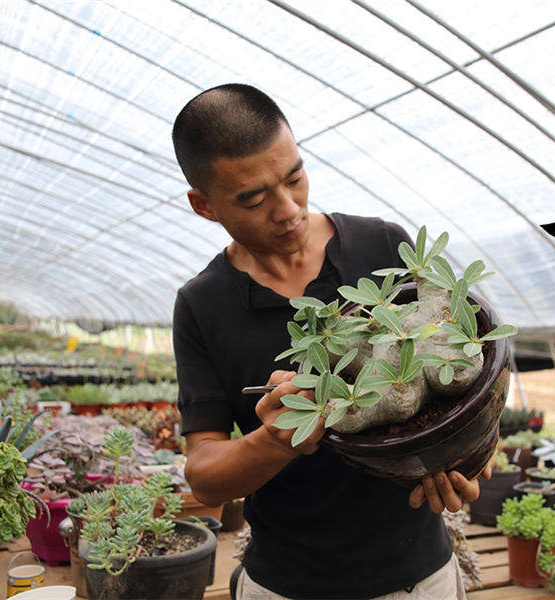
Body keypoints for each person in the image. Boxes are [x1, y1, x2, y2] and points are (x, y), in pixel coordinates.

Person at [171, 83, 489, 600]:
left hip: (419, 579)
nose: (287, 209)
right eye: (253, 198)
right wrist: (274, 438)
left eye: (295, 177)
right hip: (285, 585)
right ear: (203, 205)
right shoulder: (202, 304)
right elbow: (204, 476)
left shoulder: (384, 245)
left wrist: (468, 458)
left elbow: (465, 372)